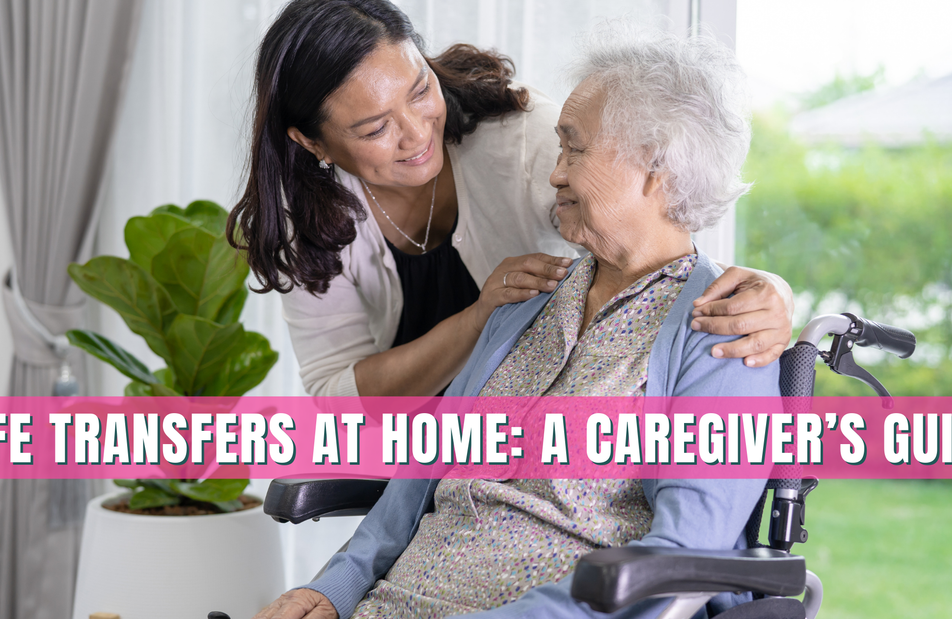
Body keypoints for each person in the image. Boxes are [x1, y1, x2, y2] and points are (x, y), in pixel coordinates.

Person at [253, 23, 779, 619]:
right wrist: (331, 588)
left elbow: (684, 555)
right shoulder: (525, 301)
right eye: (375, 127)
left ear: (657, 167)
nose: (554, 172)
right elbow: (413, 483)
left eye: (574, 149)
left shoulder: (721, 333)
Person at [226, 0, 794, 399]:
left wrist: (771, 295)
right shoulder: (309, 219)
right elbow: (336, 395)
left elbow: (667, 233)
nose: (418, 133)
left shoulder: (532, 142)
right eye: (375, 129)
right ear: (310, 141)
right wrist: (477, 320)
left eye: (421, 90)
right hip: (421, 460)